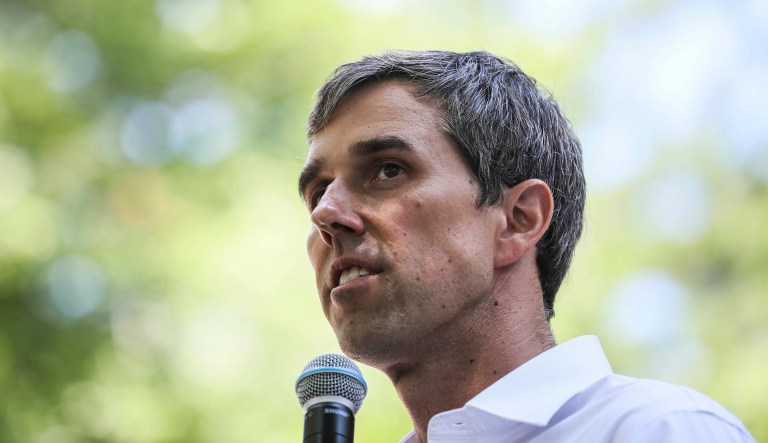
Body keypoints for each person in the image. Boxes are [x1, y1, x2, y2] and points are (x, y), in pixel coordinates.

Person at [297, 50, 755, 443]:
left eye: (388, 170)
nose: (325, 214)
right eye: (317, 193)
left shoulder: (657, 429)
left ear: (519, 220)